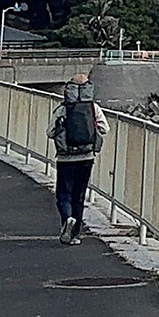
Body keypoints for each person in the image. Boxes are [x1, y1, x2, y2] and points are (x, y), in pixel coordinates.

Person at [51, 72, 108, 245]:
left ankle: (67, 219)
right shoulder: (93, 108)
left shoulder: (62, 108)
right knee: (79, 195)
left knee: (63, 193)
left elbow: (50, 132)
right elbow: (105, 128)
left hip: (65, 157)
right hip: (87, 156)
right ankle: (75, 235)